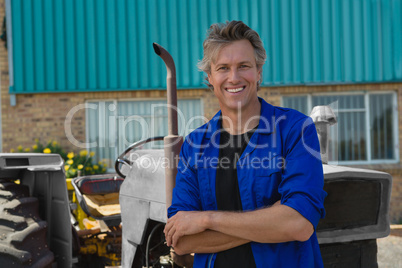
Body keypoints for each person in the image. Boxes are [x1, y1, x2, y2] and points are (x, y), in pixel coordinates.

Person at [164, 20, 327, 268]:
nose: (234, 77)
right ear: (209, 77)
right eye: (223, 68)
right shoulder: (195, 145)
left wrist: (207, 219)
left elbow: (299, 224)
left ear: (259, 71)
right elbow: (182, 240)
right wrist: (272, 222)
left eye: (244, 66)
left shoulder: (295, 129)